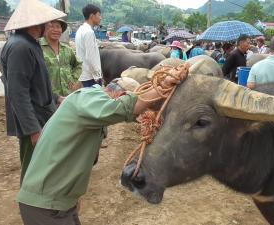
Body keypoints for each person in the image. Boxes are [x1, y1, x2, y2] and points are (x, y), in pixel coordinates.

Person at [17, 65, 189, 225]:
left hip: (57, 202)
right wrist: (165, 84)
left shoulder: (86, 105)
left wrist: (71, 198)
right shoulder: (88, 98)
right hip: (47, 205)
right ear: (120, 95)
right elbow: (125, 108)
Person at [0, 0, 66, 183]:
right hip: (34, 120)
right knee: (33, 167)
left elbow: (36, 83)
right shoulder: (20, 47)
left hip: (40, 114)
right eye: (48, 23)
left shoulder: (30, 43)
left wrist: (56, 97)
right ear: (37, 24)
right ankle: (30, 205)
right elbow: (18, 93)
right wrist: (33, 130)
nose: (50, 26)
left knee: (42, 164)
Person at [41, 19, 82, 96]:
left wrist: (73, 79)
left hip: (67, 95)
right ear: (45, 28)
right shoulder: (38, 48)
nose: (55, 30)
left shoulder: (67, 49)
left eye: (58, 27)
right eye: (52, 27)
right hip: (48, 98)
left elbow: (78, 65)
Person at [75, 4, 103, 88]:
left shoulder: (81, 30)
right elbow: (90, 56)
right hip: (91, 77)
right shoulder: (89, 32)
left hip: (84, 75)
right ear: (92, 16)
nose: (100, 18)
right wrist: (97, 75)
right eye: (98, 15)